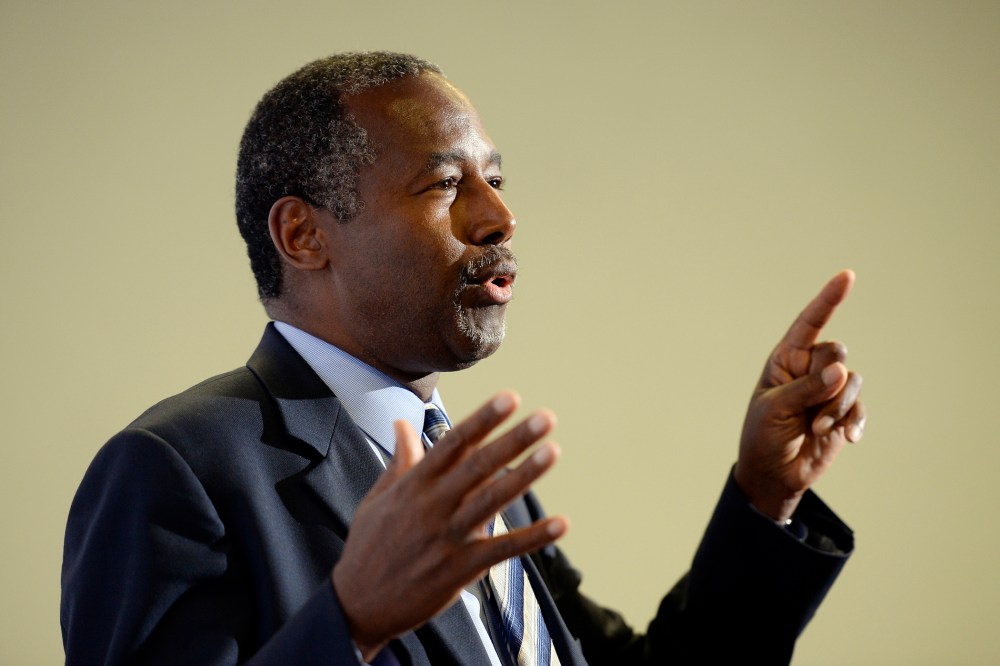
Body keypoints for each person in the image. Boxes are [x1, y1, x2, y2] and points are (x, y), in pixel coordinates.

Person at [61, 52, 865, 665]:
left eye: (497, 178)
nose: (500, 216)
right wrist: (351, 621)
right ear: (304, 235)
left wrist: (766, 495)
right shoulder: (176, 469)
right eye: (446, 184)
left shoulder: (467, 471)